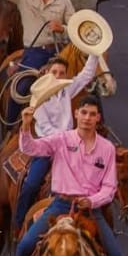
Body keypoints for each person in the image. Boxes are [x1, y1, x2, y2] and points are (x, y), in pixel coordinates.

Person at [10, 95, 122, 256]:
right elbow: (31, 148)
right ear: (76, 114)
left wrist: (92, 201)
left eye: (92, 114)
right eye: (84, 112)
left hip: (90, 210)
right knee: (26, 245)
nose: (87, 118)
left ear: (98, 118)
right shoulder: (61, 139)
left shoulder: (107, 148)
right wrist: (26, 127)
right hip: (60, 204)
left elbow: (110, 187)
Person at [11, 52, 101, 234]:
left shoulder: (67, 90)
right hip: (48, 148)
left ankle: (97, 221)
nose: (59, 76)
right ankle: (19, 225)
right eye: (55, 72)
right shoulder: (39, 97)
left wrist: (94, 51)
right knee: (31, 184)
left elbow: (86, 74)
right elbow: (46, 127)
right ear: (47, 74)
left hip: (71, 147)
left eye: (62, 73)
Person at [0, 0, 74, 72]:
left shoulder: (64, 0)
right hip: (34, 53)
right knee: (24, 85)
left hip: (60, 52)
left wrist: (62, 29)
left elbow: (76, 30)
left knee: (78, 81)